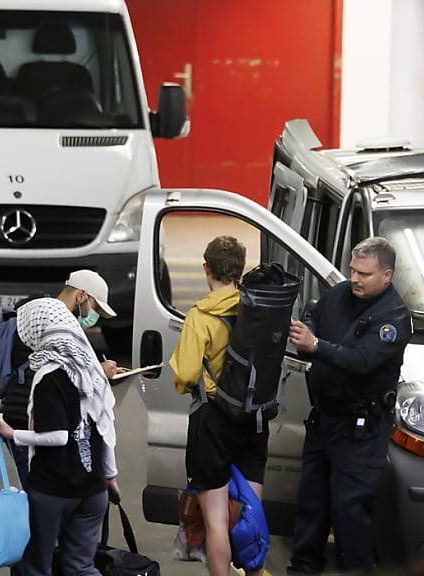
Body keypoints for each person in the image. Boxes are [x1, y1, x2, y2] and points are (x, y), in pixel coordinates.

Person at [286, 237, 412, 575]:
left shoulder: (394, 317)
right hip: (325, 420)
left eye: (365, 274)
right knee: (311, 503)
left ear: (386, 276)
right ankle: (302, 568)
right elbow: (316, 313)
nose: (355, 279)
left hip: (361, 429)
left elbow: (361, 360)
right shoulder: (341, 294)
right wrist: (306, 333)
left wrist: (316, 346)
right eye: (353, 270)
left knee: (350, 511)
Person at [0, 297, 121, 576]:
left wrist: (13, 433)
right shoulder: (90, 369)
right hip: (93, 487)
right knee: (80, 567)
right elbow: (104, 425)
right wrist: (109, 475)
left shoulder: (49, 374)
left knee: (36, 566)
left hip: (54, 488)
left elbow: (58, 436)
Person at [169, 235, 266, 576]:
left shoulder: (200, 316)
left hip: (213, 420)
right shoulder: (258, 308)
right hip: (254, 418)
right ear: (241, 269)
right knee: (250, 512)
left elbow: (186, 373)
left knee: (216, 520)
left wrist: (183, 381)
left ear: (206, 268)